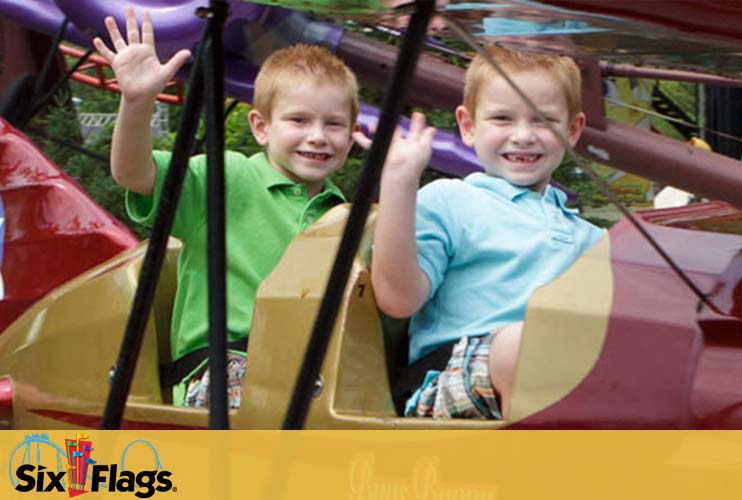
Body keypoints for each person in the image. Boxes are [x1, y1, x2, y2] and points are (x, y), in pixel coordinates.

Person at [93, 7, 361, 408]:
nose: (318, 137)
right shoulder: (228, 178)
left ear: (352, 134)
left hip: (310, 377)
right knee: (266, 401)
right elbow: (135, 174)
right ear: (261, 127)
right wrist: (137, 101)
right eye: (299, 120)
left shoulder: (341, 215)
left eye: (334, 124)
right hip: (229, 367)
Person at [372, 46, 605, 419]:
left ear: (572, 130)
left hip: (559, 381)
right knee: (523, 345)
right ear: (467, 126)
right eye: (502, 118)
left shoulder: (593, 239)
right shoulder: (450, 200)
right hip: (448, 375)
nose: (524, 135)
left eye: (543, 120)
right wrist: (399, 183)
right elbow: (397, 300)